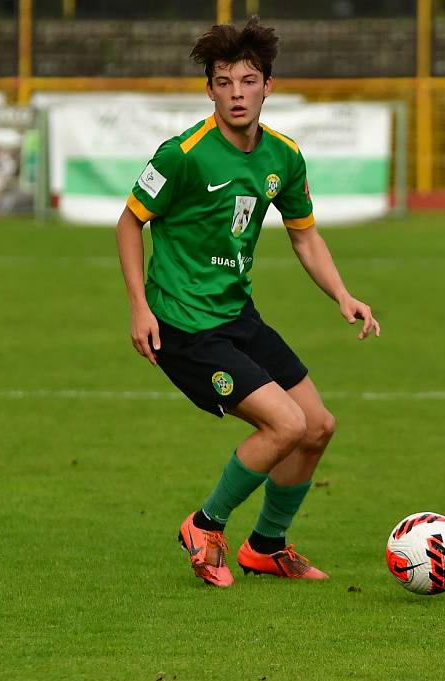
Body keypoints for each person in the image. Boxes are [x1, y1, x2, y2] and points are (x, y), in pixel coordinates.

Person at [115, 17, 380, 588]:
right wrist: (140, 306)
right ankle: (205, 525)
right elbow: (129, 223)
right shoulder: (183, 154)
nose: (237, 93)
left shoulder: (283, 157)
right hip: (184, 328)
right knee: (284, 425)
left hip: (239, 316)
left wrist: (343, 294)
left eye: (249, 80)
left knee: (317, 426)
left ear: (268, 86)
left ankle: (265, 546)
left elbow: (304, 234)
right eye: (225, 81)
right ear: (208, 89)